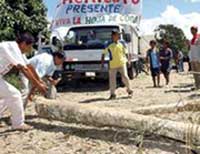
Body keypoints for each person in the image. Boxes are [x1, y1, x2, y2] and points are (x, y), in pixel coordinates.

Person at [0, 33, 47, 130]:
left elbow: (29, 66)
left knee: (11, 96)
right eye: (29, 46)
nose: (30, 49)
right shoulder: (12, 47)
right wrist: (38, 85)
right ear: (24, 43)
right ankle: (18, 124)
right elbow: (23, 69)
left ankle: (17, 123)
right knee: (14, 95)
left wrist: (39, 81)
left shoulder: (17, 51)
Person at [101, 30, 133, 99]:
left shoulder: (122, 42)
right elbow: (103, 53)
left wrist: (129, 60)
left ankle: (129, 90)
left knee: (125, 76)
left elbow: (126, 52)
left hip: (122, 63)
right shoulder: (108, 43)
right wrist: (102, 63)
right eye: (117, 35)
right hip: (112, 65)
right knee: (112, 80)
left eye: (119, 35)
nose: (119, 36)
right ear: (113, 36)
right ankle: (113, 94)